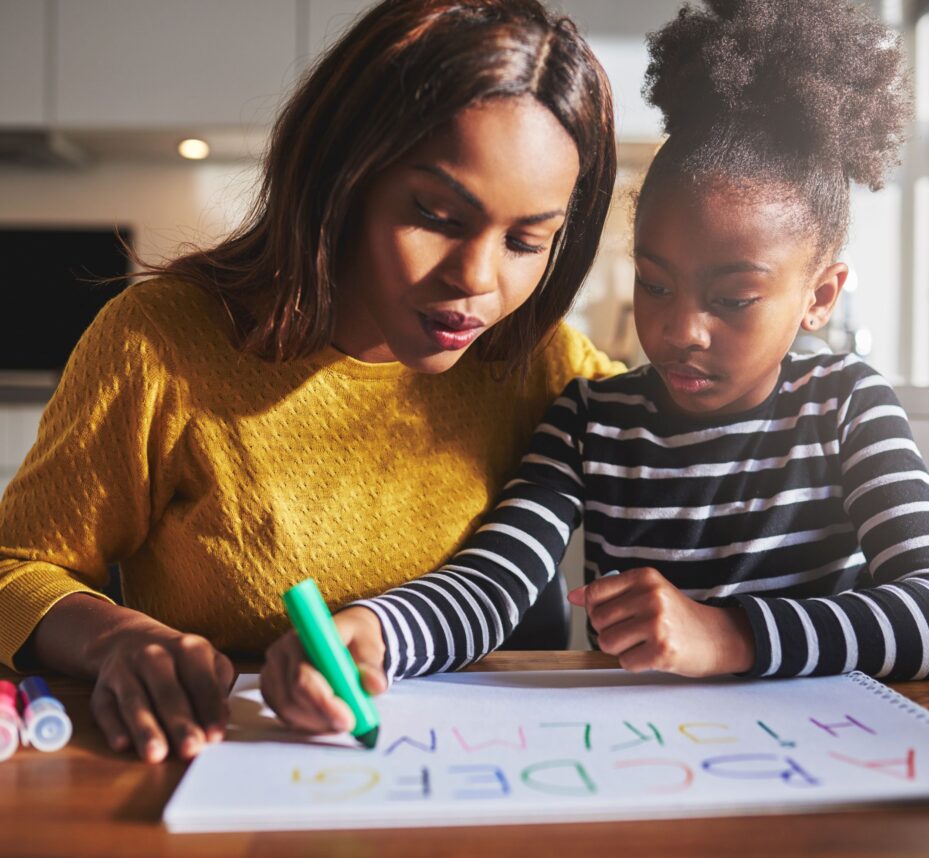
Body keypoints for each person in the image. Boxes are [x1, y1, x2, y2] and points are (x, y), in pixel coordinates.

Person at [0, 0, 620, 763]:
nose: (478, 281)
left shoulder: (540, 359)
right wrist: (117, 641)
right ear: (343, 179)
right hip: (236, 773)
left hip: (489, 785)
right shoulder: (160, 342)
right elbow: (15, 572)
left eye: (528, 241)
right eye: (434, 215)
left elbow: (700, 429)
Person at [344, 0, 929, 686]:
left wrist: (729, 635)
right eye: (654, 285)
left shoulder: (846, 406)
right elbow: (489, 588)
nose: (682, 331)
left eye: (733, 300)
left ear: (820, 297)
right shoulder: (589, 422)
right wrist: (377, 633)